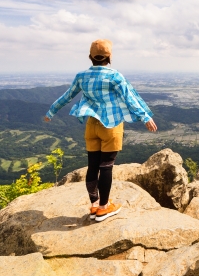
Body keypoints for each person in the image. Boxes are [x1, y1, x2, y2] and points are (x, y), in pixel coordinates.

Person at [44, 39, 157, 222]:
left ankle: (94, 205)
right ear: (109, 57)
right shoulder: (115, 76)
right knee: (106, 167)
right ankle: (104, 208)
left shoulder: (82, 76)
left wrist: (51, 112)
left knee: (93, 165)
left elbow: (67, 96)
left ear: (90, 57)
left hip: (92, 125)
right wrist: (145, 117)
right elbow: (130, 99)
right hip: (111, 127)